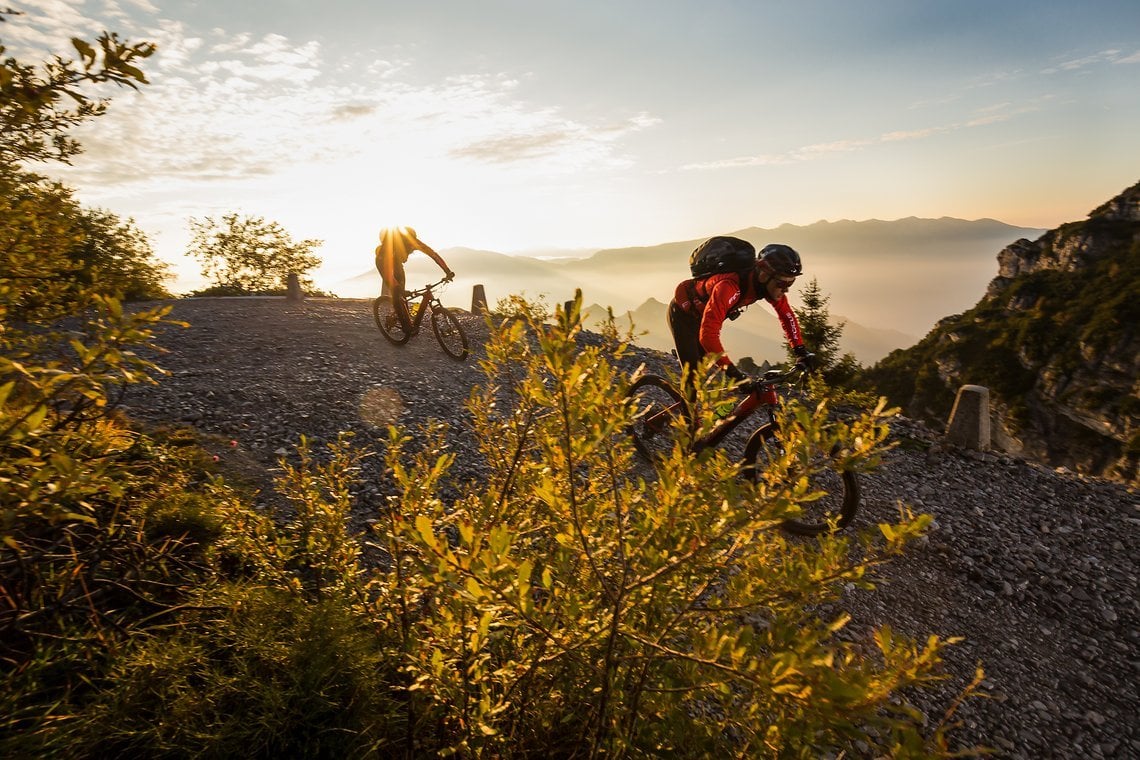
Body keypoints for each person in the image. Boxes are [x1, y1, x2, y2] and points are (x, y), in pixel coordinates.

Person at [668, 241, 813, 390]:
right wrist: (735, 375)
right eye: (782, 284)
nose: (786, 290)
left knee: (707, 367)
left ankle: (687, 355)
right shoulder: (728, 287)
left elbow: (787, 317)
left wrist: (800, 350)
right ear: (764, 275)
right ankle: (683, 410)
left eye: (791, 283)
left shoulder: (769, 286)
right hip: (683, 314)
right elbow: (708, 336)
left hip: (705, 317)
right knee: (692, 379)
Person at [375, 226, 455, 331]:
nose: (410, 245)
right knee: (397, 292)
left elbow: (434, 255)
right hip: (383, 263)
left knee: (401, 292)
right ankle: (405, 325)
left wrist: (447, 271)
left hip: (396, 263)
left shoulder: (415, 242)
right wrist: (397, 287)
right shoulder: (389, 247)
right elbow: (387, 271)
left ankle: (404, 314)